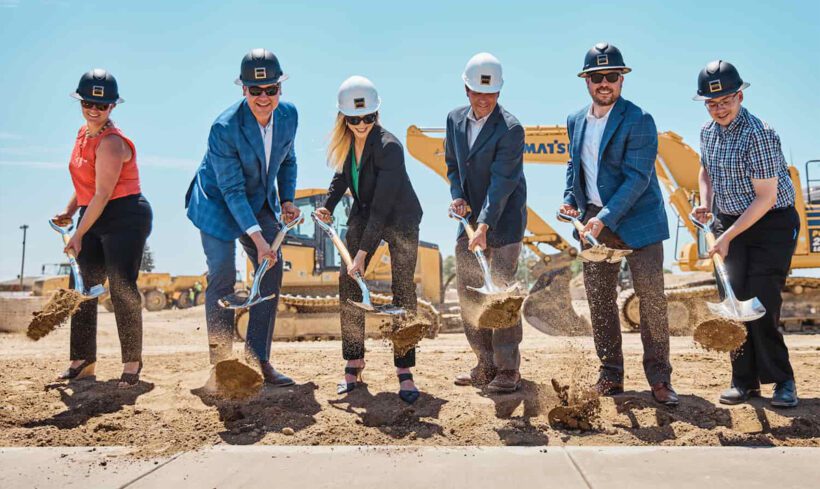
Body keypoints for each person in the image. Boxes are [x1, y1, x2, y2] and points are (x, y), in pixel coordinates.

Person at [559, 43, 678, 406]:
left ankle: (659, 379)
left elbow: (637, 178)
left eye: (612, 76)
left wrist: (601, 219)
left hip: (638, 222)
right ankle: (611, 375)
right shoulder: (575, 120)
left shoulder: (640, 120)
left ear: (622, 79)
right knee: (600, 301)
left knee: (652, 302)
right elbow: (573, 166)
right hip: (595, 222)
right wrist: (569, 199)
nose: (605, 83)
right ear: (587, 81)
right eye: (597, 77)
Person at [185, 48, 299, 386]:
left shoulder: (289, 116)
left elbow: (288, 160)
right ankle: (222, 365)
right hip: (218, 203)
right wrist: (260, 240)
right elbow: (232, 191)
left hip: (256, 198)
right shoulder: (224, 128)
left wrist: (288, 200)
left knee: (271, 267)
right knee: (222, 275)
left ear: (281, 88)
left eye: (271, 90)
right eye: (255, 90)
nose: (264, 98)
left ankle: (257, 359)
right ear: (243, 90)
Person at [692, 60, 799, 408]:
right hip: (728, 220)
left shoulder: (760, 134)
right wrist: (705, 203)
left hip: (771, 223)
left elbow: (766, 198)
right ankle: (743, 381)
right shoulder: (708, 132)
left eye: (725, 100)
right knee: (733, 304)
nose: (719, 108)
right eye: (711, 102)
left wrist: (726, 237)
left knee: (762, 304)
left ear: (739, 96)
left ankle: (783, 382)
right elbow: (705, 171)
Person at [315, 76, 424, 404]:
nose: (361, 125)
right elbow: (341, 178)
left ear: (376, 115)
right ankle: (354, 363)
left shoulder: (390, 147)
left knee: (402, 288)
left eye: (368, 118)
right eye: (353, 119)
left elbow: (383, 207)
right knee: (347, 285)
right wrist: (327, 206)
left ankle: (405, 369)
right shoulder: (347, 144)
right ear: (342, 118)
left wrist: (362, 254)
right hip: (365, 214)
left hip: (399, 216)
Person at [54, 69, 153, 388]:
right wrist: (69, 213)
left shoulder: (112, 143)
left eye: (102, 105)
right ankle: (82, 361)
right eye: (88, 103)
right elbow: (86, 184)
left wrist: (79, 234)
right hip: (91, 211)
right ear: (81, 102)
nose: (94, 109)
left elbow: (103, 192)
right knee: (82, 287)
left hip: (124, 215)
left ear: (112, 107)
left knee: (123, 287)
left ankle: (132, 363)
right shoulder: (82, 135)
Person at [446, 53, 527, 394]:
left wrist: (483, 227)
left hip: (503, 221)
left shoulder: (511, 129)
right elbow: (452, 163)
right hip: (469, 220)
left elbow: (502, 182)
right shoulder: (453, 120)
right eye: (478, 92)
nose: (484, 99)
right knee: (469, 293)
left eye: (491, 93)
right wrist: (458, 195)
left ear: (499, 91)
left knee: (501, 295)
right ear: (466, 89)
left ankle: (508, 369)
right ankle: (484, 362)